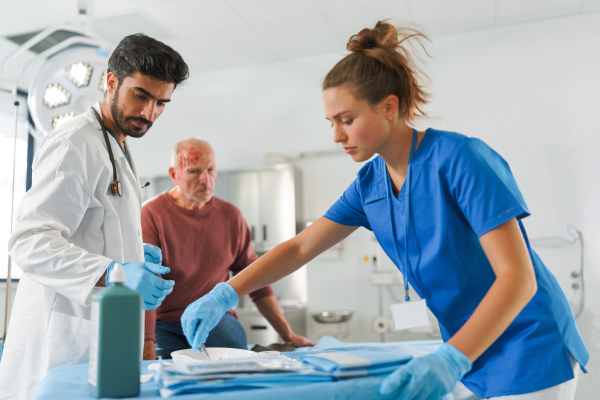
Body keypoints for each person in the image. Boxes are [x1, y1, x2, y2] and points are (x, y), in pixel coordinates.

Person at [177, 22, 589, 400]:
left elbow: (519, 279)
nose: (336, 135)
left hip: (529, 343)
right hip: (468, 347)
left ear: (389, 107)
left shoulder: (460, 159)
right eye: (331, 122)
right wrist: (227, 291)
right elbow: (302, 247)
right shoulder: (369, 185)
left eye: (346, 119)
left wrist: (453, 358)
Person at [0, 34, 188, 400]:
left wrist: (133, 254)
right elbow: (29, 242)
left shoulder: (114, 142)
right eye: (141, 96)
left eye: (161, 103)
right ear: (111, 81)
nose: (150, 113)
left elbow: (93, 227)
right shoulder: (75, 142)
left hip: (98, 336)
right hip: (61, 342)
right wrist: (116, 272)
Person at [142, 138, 313, 360]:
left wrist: (288, 334)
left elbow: (257, 280)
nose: (205, 180)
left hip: (216, 317)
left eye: (211, 170)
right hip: (164, 322)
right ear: (174, 175)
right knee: (168, 367)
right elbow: (147, 285)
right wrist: (147, 344)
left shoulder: (231, 216)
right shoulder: (151, 214)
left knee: (233, 361)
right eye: (194, 171)